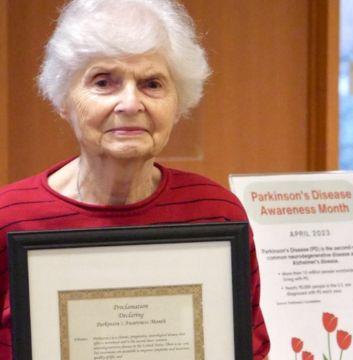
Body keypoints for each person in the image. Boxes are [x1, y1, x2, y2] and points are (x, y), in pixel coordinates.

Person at [0, 0, 270, 358]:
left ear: (178, 102)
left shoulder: (216, 212)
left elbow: (250, 346)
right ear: (63, 99)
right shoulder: (9, 216)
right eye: (103, 82)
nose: (130, 104)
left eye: (152, 84)